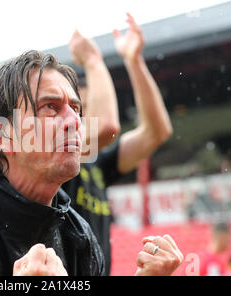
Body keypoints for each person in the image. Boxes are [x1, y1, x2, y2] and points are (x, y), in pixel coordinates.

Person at [0, 49, 182, 276]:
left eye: (76, 109)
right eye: (50, 108)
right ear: (0, 133)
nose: (74, 122)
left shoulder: (78, 236)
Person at [63, 13, 173, 274]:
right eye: (77, 109)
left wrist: (134, 61)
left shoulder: (97, 164)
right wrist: (92, 59)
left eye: (85, 108)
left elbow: (156, 132)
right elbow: (106, 127)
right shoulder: (53, 157)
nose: (80, 118)